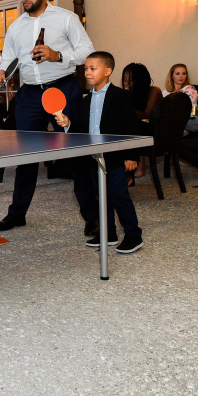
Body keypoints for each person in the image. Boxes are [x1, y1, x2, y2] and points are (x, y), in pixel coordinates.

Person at [0, 0, 98, 234]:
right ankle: (17, 215)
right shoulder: (16, 26)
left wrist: (57, 54)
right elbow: (8, 58)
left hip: (62, 89)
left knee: (76, 154)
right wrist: (2, 71)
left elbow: (87, 51)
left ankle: (92, 217)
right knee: (27, 157)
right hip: (29, 96)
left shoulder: (66, 18)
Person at [56, 51, 144, 253]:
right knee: (101, 198)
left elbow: (132, 127)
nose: (87, 72)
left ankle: (133, 235)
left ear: (108, 71)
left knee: (119, 196)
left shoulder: (121, 96)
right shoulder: (86, 100)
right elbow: (83, 128)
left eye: (92, 69)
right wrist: (69, 123)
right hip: (94, 159)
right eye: (86, 68)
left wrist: (132, 156)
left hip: (114, 157)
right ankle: (109, 234)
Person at [121, 63, 163, 183]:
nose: (126, 82)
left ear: (141, 79)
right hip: (139, 130)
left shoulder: (154, 91)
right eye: (124, 79)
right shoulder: (129, 95)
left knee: (126, 128)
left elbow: (146, 116)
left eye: (131, 79)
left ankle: (128, 174)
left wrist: (124, 105)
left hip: (155, 133)